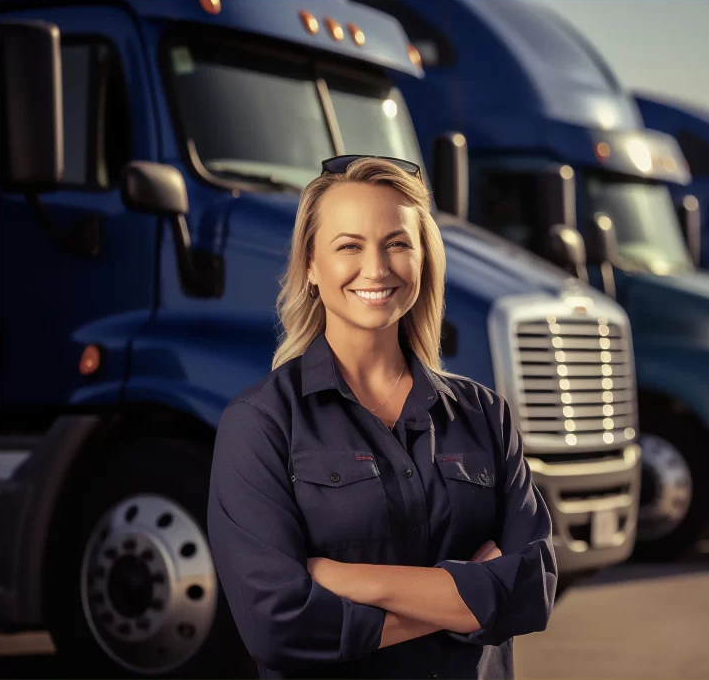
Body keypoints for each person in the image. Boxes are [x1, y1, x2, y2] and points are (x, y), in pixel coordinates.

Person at [207, 157, 557, 679]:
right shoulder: (259, 425)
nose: (376, 268)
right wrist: (468, 598)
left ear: (423, 260)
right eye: (349, 246)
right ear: (309, 265)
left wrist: (350, 581)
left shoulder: (486, 416)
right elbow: (278, 626)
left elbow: (534, 586)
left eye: (397, 243)